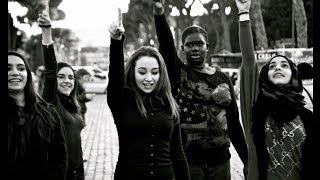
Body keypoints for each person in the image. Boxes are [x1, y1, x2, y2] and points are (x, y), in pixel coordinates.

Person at [152, 1, 248, 179]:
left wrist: (247, 160)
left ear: (207, 47)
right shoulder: (177, 72)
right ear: (182, 49)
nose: (195, 48)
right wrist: (159, 12)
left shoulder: (223, 79)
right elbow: (166, 44)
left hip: (221, 162)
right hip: (188, 164)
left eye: (199, 44)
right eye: (189, 45)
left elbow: (234, 122)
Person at [107, 8, 191, 180]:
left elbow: (178, 152)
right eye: (142, 72)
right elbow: (115, 76)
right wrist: (116, 42)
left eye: (154, 72)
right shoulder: (121, 101)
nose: (148, 78)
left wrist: (159, 12)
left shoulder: (170, 104)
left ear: (161, 74)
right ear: (132, 73)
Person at [236, 0, 314, 179]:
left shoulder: (308, 118)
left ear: (294, 76)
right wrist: (243, 14)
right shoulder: (256, 112)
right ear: (266, 77)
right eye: (272, 66)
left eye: (284, 65)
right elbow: (249, 64)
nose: (278, 68)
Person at [38, 6, 85, 180]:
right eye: (61, 77)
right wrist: (47, 33)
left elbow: (76, 144)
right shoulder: (51, 101)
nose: (67, 81)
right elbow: (50, 69)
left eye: (71, 77)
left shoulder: (73, 105)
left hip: (76, 173)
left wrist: (80, 170)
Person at [8, 51, 68, 180]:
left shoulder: (47, 112)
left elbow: (59, 157)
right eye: (8, 68)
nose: (14, 72)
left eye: (21, 68)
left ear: (28, 74)